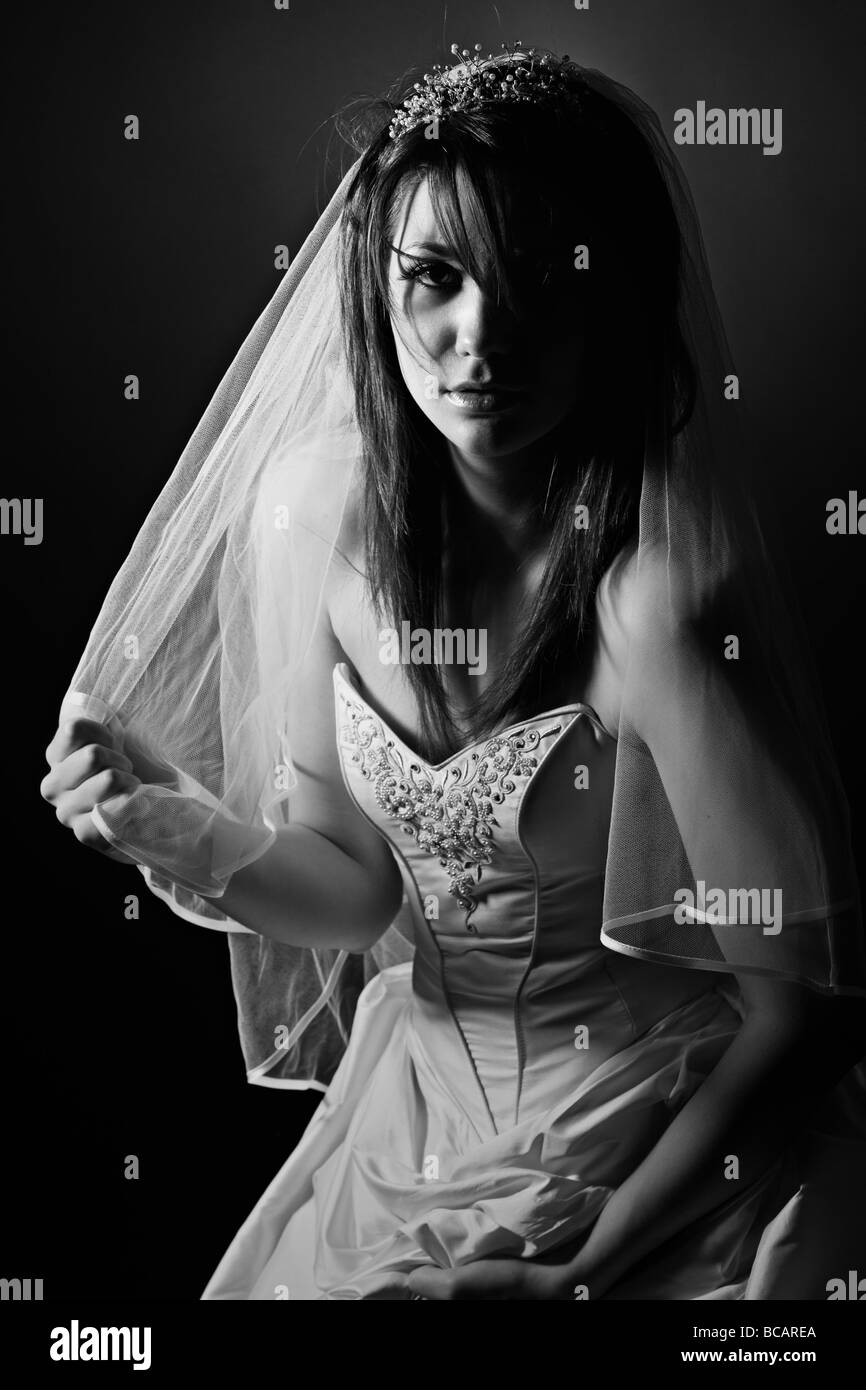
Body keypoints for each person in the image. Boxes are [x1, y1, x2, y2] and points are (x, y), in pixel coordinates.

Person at [41, 43, 866, 1300]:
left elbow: (802, 1021)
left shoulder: (656, 605)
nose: (478, 338)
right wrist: (185, 831)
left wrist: (579, 1274)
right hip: (417, 1099)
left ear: (617, 296)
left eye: (540, 278)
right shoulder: (310, 512)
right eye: (433, 278)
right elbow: (356, 890)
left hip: (668, 1135)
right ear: (377, 284)